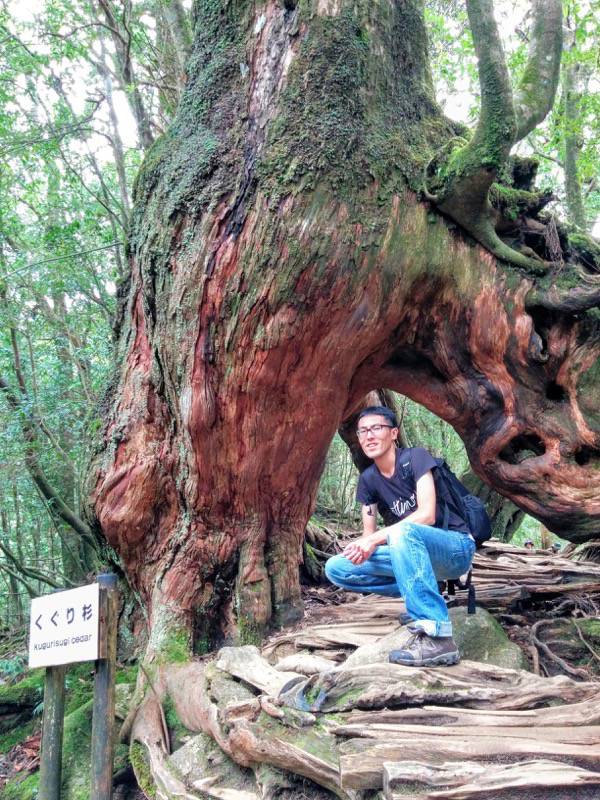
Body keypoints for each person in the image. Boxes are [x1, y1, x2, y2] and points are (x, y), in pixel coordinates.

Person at [325, 406, 476, 667]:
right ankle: (424, 593)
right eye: (362, 431)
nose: (368, 436)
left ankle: (437, 637)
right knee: (337, 567)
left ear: (393, 433)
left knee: (403, 532)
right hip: (412, 552)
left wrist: (374, 540)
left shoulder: (415, 458)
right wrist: (363, 546)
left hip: (454, 547)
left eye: (376, 428)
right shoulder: (368, 480)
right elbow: (368, 537)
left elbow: (427, 514)